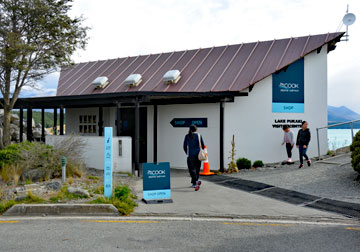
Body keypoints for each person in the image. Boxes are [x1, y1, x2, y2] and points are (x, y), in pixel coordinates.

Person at [183, 125, 205, 191]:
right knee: (197, 168)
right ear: (196, 129)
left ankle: (195, 182)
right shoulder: (199, 135)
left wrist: (187, 152)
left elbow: (184, 146)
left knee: (191, 169)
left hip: (191, 155)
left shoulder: (187, 136)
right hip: (198, 155)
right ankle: (195, 182)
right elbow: (203, 145)